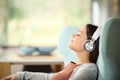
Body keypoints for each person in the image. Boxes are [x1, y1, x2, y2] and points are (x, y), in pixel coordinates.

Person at [1, 24, 100, 80]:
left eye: (78, 35)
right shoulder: (76, 66)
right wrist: (20, 76)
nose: (73, 35)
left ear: (89, 45)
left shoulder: (88, 69)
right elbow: (49, 77)